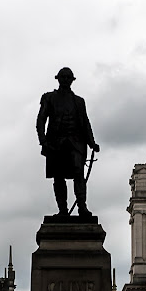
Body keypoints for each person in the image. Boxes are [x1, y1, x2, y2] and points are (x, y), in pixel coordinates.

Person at [36, 67, 100, 217]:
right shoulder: (49, 97)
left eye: (68, 77)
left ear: (72, 80)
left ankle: (82, 206)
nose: (65, 80)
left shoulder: (79, 101)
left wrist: (92, 142)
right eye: (62, 77)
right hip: (55, 143)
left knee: (78, 173)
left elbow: (85, 123)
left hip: (76, 143)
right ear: (58, 79)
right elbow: (41, 119)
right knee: (58, 177)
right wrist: (43, 140)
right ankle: (63, 210)